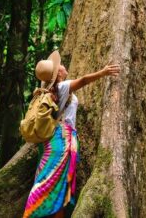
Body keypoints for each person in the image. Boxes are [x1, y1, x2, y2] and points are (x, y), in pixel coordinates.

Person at [23, 50, 120, 218]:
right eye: (58, 66)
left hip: (48, 143)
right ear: (57, 74)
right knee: (58, 186)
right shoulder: (63, 86)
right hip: (62, 140)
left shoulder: (46, 92)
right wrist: (103, 72)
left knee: (48, 183)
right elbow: (83, 80)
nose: (62, 65)